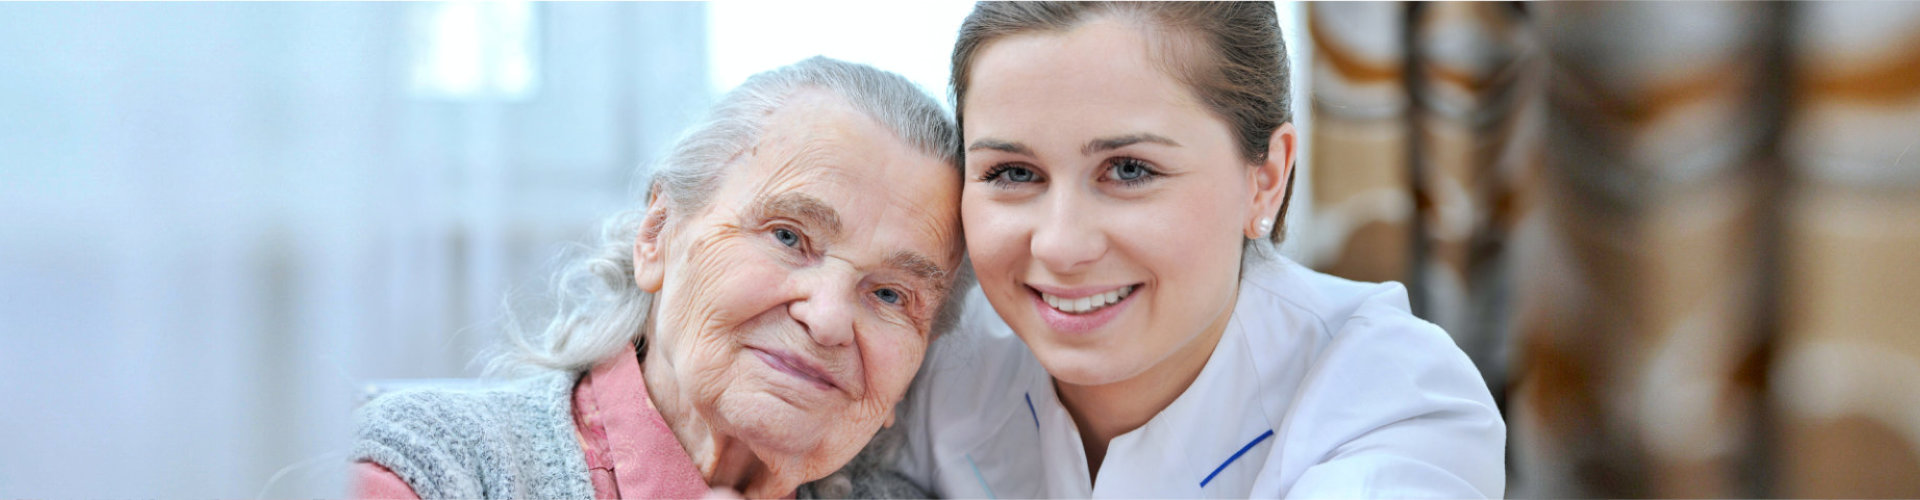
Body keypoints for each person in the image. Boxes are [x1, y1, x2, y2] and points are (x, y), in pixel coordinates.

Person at [888, 3, 1506, 497]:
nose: (1061, 244)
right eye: (1012, 173)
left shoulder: (1396, 403)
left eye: (1128, 169)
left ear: (1265, 178)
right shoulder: (924, 354)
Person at [351, 56, 969, 499]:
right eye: (788, 236)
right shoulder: (437, 469)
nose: (829, 318)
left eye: (890, 294)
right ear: (657, 235)